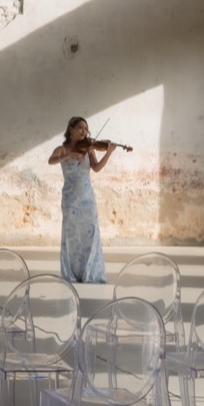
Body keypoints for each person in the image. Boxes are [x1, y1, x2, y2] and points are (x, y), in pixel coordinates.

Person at [48, 116, 115, 284]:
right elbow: (51, 161)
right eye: (80, 127)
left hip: (87, 198)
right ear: (70, 129)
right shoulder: (62, 149)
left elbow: (97, 168)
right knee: (71, 236)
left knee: (91, 234)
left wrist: (108, 153)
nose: (84, 131)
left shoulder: (89, 149)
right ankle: (72, 273)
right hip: (70, 198)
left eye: (86, 129)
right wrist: (69, 155)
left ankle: (91, 273)